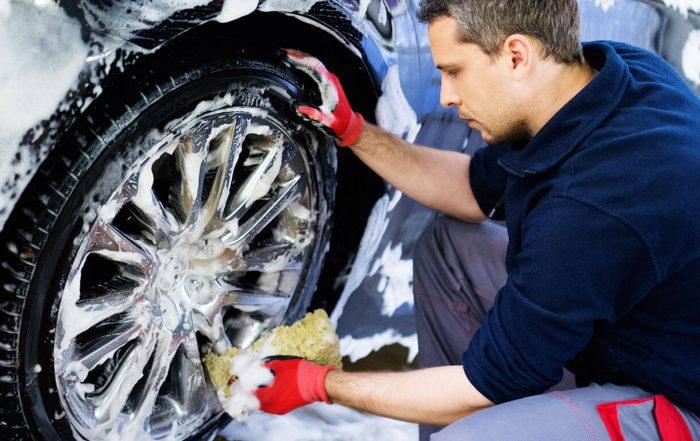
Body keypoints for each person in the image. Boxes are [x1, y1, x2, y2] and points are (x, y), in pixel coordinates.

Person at [252, 1, 700, 439]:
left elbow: (483, 385)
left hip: (676, 404)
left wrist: (318, 384)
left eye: (454, 71)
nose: (447, 97)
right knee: (448, 247)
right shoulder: (608, 79)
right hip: (626, 338)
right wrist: (356, 132)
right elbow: (470, 188)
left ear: (516, 55)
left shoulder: (596, 205)